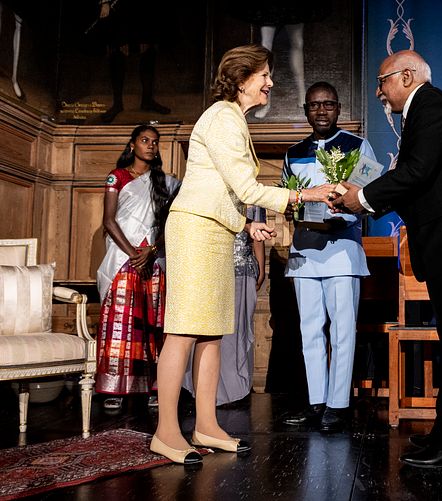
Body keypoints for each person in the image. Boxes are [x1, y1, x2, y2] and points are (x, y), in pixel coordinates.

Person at [150, 44, 334, 465]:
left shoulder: (232, 119)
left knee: (213, 331)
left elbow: (224, 188)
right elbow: (248, 189)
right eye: (265, 74)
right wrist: (306, 194)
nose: (271, 82)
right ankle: (165, 432)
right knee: (183, 329)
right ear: (241, 77)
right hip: (195, 230)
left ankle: (207, 425)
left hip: (216, 229)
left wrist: (247, 224)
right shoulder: (222, 117)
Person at [333, 50, 442, 468]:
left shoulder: (432, 106)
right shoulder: (425, 110)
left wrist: (363, 198)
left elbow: (418, 172)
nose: (378, 92)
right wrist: (362, 199)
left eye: (382, 81)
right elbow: (420, 179)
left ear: (407, 76)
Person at [281, 82, 375, 433]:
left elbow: (367, 196)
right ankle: (316, 402)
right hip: (304, 251)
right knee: (309, 332)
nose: (321, 111)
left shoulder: (358, 145)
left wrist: (344, 215)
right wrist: (295, 213)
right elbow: (286, 198)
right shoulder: (294, 153)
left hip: (343, 252)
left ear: (338, 108)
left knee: (343, 332)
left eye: (328, 105)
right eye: (314, 106)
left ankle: (338, 405)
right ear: (305, 110)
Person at [96, 125, 179, 410]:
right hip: (124, 259)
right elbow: (108, 221)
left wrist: (152, 251)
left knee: (155, 324)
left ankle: (155, 386)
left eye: (155, 142)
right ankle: (114, 389)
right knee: (121, 320)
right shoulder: (117, 177)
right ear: (132, 145)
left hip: (153, 259)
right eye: (145, 140)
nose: (151, 146)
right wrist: (134, 254)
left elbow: (172, 224)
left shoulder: (164, 183)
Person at [183, 206, 266, 406]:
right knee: (210, 332)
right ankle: (203, 390)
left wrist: (261, 267)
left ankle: (235, 389)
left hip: (242, 266)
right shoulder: (212, 189)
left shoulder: (253, 196)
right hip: (211, 265)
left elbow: (258, 237)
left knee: (236, 331)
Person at [97, 0, 171, 123]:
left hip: (143, 9)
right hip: (119, 9)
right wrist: (105, 2)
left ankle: (147, 101)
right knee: (117, 51)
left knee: (148, 48)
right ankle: (117, 104)